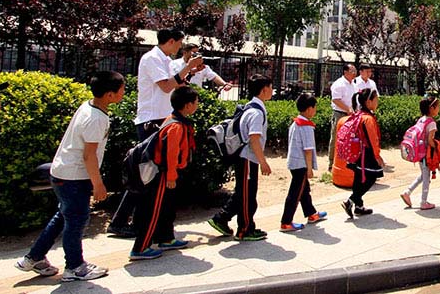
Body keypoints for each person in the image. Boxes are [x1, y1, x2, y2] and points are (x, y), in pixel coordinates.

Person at [15, 71, 124, 282]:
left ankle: (33, 258)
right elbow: (89, 155)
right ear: (110, 95)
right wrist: (98, 184)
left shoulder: (89, 106)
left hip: (63, 173)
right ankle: (75, 267)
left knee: (63, 216)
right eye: (121, 90)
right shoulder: (96, 119)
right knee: (76, 221)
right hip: (74, 177)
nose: (123, 93)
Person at [108, 28, 202, 238]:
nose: (181, 48)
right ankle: (136, 225)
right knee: (147, 176)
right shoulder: (152, 59)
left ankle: (128, 221)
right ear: (170, 41)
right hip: (151, 122)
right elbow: (167, 87)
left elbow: (175, 86)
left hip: (162, 121)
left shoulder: (166, 60)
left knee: (148, 175)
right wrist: (187, 67)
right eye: (179, 43)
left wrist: (189, 72)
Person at [129, 86, 198, 260]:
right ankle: (140, 247)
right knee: (155, 210)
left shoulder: (174, 119)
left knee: (167, 208)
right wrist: (171, 176)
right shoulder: (176, 126)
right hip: (164, 174)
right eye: (196, 102)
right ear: (188, 105)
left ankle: (166, 238)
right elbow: (171, 154)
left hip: (168, 173)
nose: (198, 105)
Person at [208, 75, 273, 241]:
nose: (272, 91)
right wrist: (263, 162)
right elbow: (254, 138)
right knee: (247, 195)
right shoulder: (256, 113)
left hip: (244, 157)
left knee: (242, 192)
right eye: (270, 87)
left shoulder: (249, 107)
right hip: (247, 158)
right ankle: (245, 229)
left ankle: (221, 218)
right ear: (264, 89)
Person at [280, 92, 328, 232]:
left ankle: (311, 214)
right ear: (308, 109)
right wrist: (309, 168)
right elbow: (307, 149)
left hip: (294, 162)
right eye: (314, 107)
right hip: (301, 164)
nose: (315, 110)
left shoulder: (295, 123)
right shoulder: (306, 126)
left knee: (304, 190)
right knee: (295, 193)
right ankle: (286, 221)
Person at [341, 88, 383, 219]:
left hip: (357, 152)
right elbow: (372, 139)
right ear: (369, 102)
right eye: (376, 100)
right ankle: (351, 201)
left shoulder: (358, 115)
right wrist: (377, 156)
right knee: (371, 178)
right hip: (367, 154)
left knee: (358, 178)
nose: (377, 102)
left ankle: (359, 207)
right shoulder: (368, 118)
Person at [400, 96, 440, 210]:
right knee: (426, 178)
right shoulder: (431, 122)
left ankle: (407, 192)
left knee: (424, 175)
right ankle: (423, 202)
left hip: (418, 152)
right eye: (437, 107)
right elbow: (430, 140)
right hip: (426, 154)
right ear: (431, 108)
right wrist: (437, 148)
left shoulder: (421, 119)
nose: (439, 109)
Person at [327, 64, 357, 170]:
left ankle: (346, 162)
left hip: (351, 115)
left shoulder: (353, 84)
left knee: (350, 139)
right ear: (345, 72)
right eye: (352, 71)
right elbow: (336, 99)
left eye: (355, 70)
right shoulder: (339, 84)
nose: (355, 73)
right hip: (340, 114)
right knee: (336, 138)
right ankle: (331, 164)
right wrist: (347, 109)